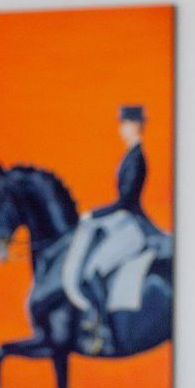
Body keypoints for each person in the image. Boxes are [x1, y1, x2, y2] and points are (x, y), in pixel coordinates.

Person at [61, 105, 150, 353]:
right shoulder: (130, 154)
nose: (122, 128)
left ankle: (103, 329)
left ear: (136, 126)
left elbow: (126, 201)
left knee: (93, 270)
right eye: (122, 124)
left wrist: (94, 214)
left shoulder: (137, 158)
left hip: (131, 224)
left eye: (125, 123)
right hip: (121, 220)